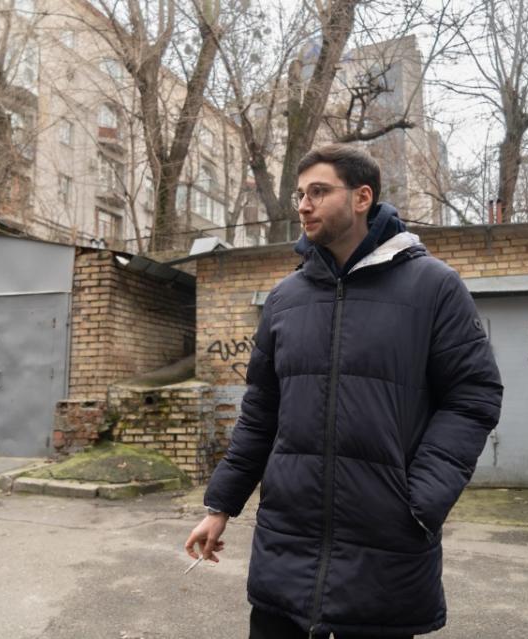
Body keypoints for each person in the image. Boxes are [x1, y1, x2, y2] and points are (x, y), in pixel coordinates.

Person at [185, 144, 503, 638]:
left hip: (386, 546)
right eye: (299, 195)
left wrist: (420, 500)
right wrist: (220, 506)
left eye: (318, 191)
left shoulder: (433, 287)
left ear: (362, 197)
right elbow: (261, 412)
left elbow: (473, 395)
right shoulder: (285, 299)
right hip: (286, 544)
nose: (304, 205)